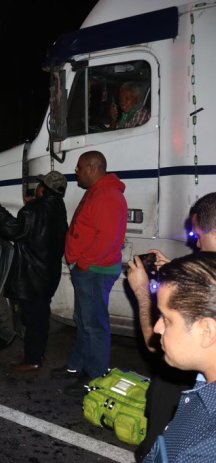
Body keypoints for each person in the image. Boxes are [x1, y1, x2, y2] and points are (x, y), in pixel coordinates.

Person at [127, 192, 216, 460]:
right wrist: (181, 278)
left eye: (198, 234)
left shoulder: (196, 446)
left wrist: (144, 294)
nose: (196, 243)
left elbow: (155, 345)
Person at [53, 151, 128, 396]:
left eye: (79, 168)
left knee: (94, 325)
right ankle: (77, 366)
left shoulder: (107, 195)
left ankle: (95, 378)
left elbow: (106, 240)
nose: (76, 172)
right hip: (90, 269)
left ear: (93, 168)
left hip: (95, 270)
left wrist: (83, 263)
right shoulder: (98, 191)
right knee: (84, 321)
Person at [0, 171, 68, 372]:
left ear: (43, 189)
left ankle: (33, 359)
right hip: (49, 273)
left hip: (31, 275)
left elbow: (12, 230)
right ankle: (35, 353)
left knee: (32, 319)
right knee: (40, 316)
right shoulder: (58, 207)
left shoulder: (33, 210)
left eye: (39, 185)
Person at [139, 252, 216, 462]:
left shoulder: (205, 448)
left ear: (207, 331)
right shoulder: (204, 384)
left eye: (167, 319)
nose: (157, 328)